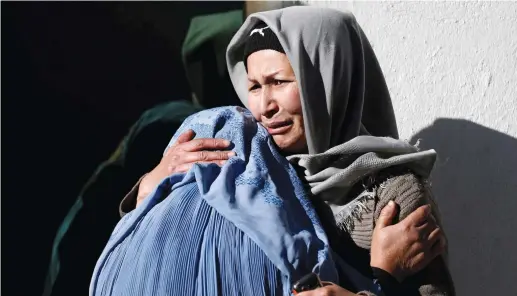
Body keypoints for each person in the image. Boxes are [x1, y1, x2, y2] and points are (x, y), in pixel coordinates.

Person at [113, 6, 455, 296]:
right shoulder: (252, 162)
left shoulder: (393, 191)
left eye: (279, 82)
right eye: (254, 86)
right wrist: (151, 185)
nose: (264, 106)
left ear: (324, 79)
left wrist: (382, 280)